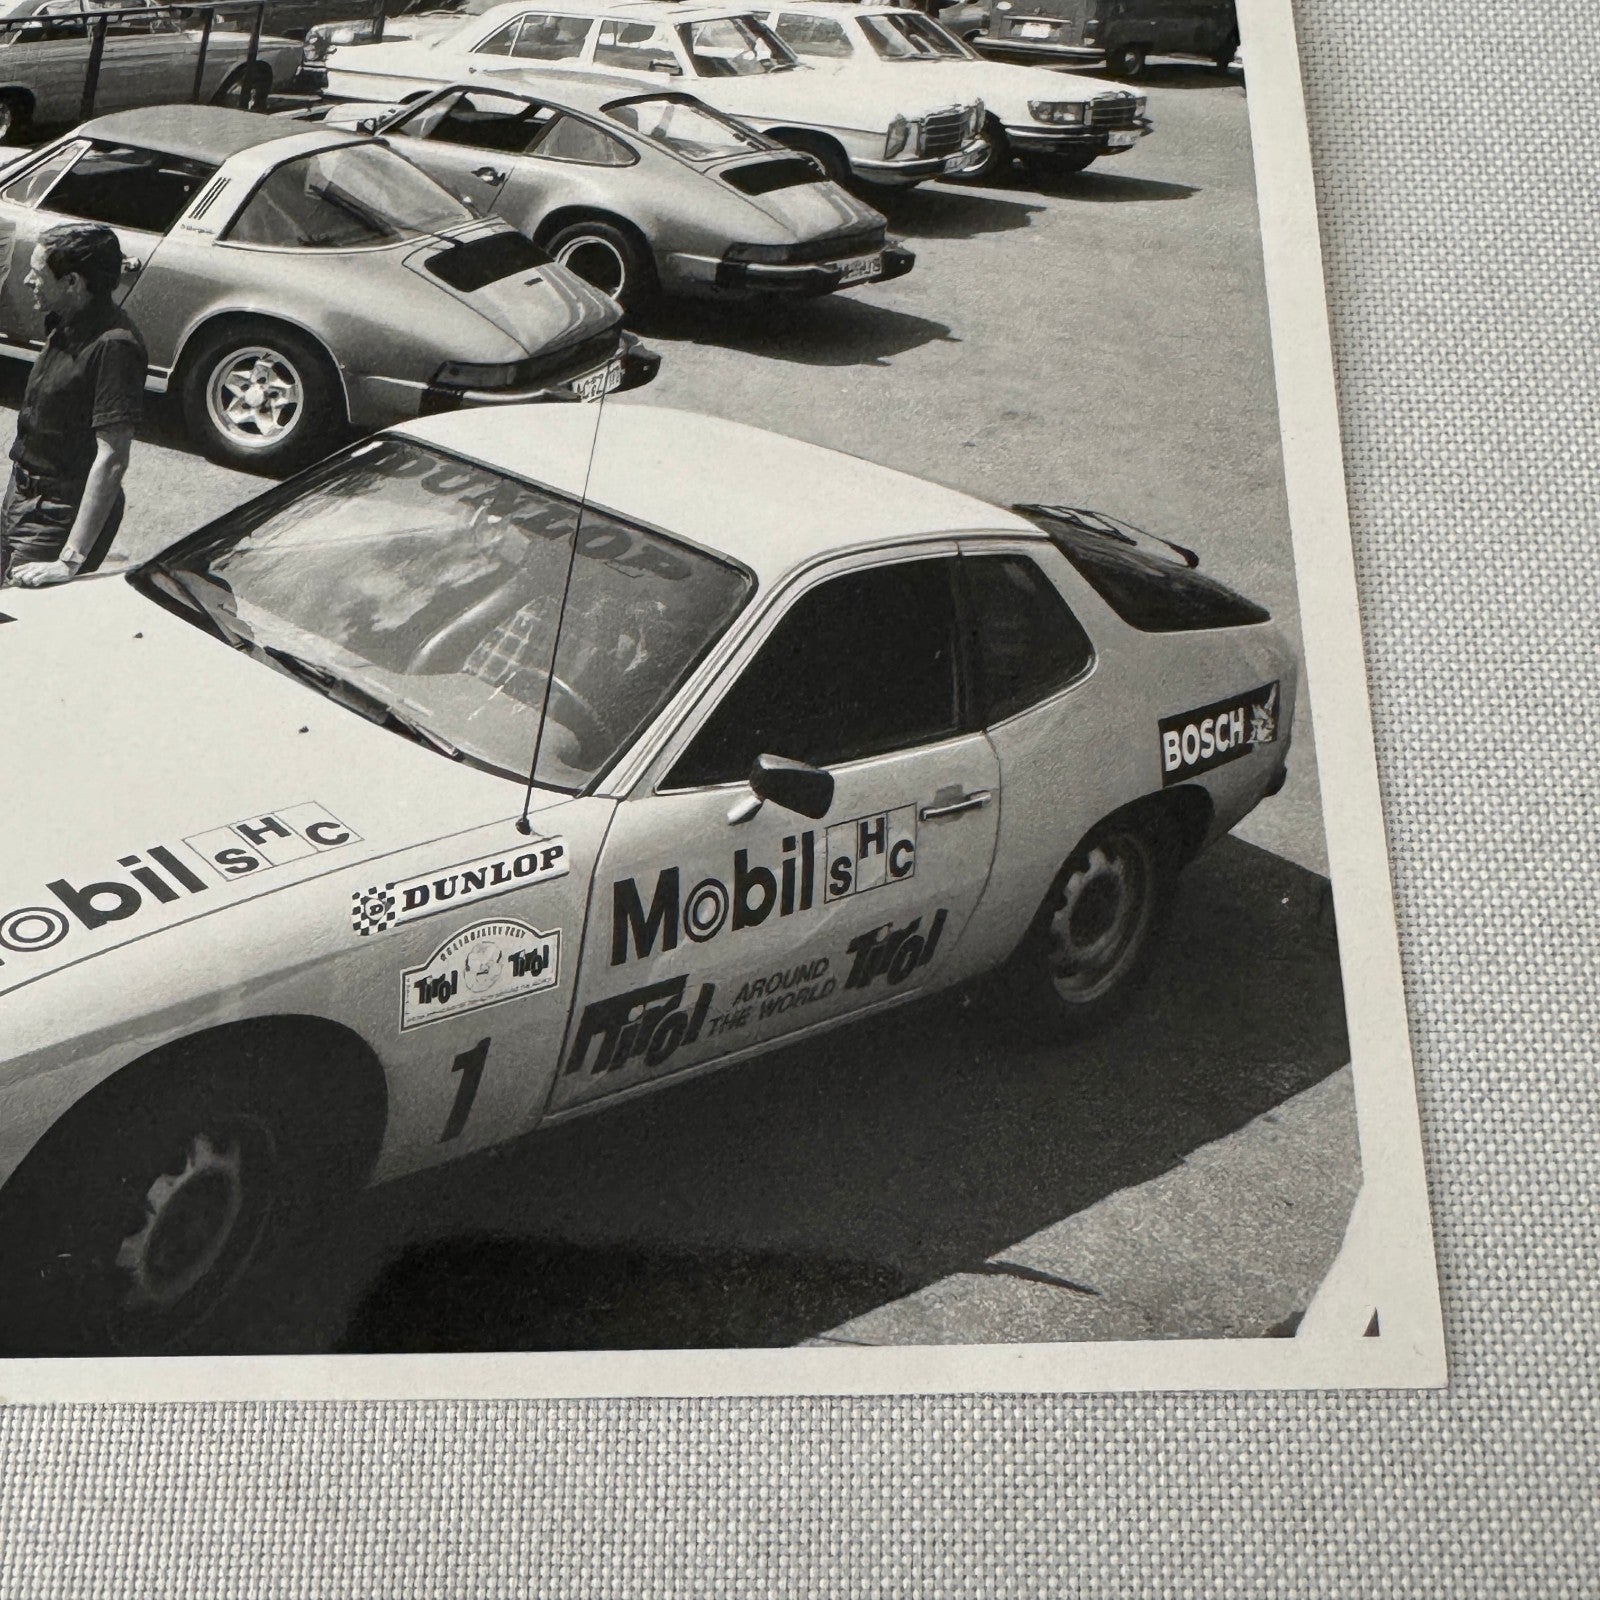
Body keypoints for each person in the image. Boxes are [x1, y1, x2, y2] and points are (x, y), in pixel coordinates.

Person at [0, 222, 145, 589]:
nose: (27, 282)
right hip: (21, 494)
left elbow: (112, 459)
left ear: (73, 283)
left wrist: (69, 561)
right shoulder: (67, 320)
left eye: (37, 274)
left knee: (20, 624)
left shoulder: (115, 347)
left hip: (55, 515)